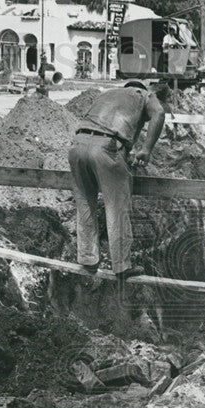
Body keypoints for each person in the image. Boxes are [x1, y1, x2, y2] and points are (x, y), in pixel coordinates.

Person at [69, 80, 170, 279]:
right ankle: (122, 266)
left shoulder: (109, 93)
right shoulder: (144, 94)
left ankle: (88, 259)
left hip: (77, 145)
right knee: (116, 206)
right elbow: (159, 113)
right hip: (106, 146)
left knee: (84, 203)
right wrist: (146, 150)